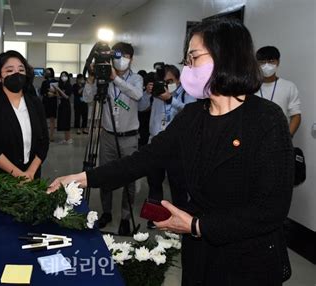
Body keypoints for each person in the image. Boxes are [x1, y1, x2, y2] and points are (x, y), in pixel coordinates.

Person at [49, 19, 293, 285]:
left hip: (249, 259)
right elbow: (143, 159)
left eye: (194, 57)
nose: (186, 67)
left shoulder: (266, 119)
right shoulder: (192, 116)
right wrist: (82, 178)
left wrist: (196, 226)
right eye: (186, 59)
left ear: (226, 56)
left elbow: (271, 209)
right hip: (200, 255)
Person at [83, 42, 143, 235]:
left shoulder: (136, 79)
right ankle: (106, 212)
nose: (121, 59)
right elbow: (87, 98)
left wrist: (115, 79)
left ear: (131, 58)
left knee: (130, 179)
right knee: (104, 175)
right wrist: (92, 78)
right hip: (108, 136)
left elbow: (137, 94)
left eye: (125, 56)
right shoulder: (103, 77)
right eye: (117, 55)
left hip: (129, 138)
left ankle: (126, 217)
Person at [0, 50, 49, 183]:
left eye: (21, 70)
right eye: (9, 70)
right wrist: (19, 175)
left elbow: (44, 141)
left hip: (32, 178)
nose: (17, 74)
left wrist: (30, 173)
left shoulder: (35, 102)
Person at [138, 64, 196, 229]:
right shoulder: (156, 93)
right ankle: (155, 218)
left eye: (169, 81)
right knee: (154, 184)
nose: (165, 84)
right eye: (162, 81)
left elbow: (190, 112)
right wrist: (147, 93)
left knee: (178, 186)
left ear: (178, 80)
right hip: (155, 143)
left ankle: (181, 219)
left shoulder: (187, 93)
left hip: (177, 148)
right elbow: (141, 107)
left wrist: (170, 99)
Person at [256, 46, 302, 137]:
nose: (267, 65)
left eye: (271, 61)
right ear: (257, 64)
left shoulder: (289, 86)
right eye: (262, 62)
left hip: (280, 138)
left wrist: (287, 137)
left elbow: (296, 115)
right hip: (255, 138)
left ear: (278, 62)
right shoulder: (250, 87)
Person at [54, 71, 73, 144]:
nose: (63, 77)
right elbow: (59, 97)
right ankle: (66, 138)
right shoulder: (61, 85)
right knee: (63, 122)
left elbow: (66, 96)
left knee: (66, 121)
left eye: (65, 75)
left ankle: (68, 138)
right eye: (62, 76)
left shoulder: (69, 86)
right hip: (61, 105)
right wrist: (56, 90)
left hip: (66, 105)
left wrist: (58, 89)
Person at [40, 68, 58, 141]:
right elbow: (41, 92)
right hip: (46, 102)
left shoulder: (56, 82)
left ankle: (51, 135)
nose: (47, 73)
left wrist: (53, 94)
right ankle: (44, 135)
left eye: (48, 72)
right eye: (46, 72)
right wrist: (47, 93)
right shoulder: (44, 82)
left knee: (52, 119)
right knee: (44, 119)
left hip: (53, 102)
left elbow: (58, 92)